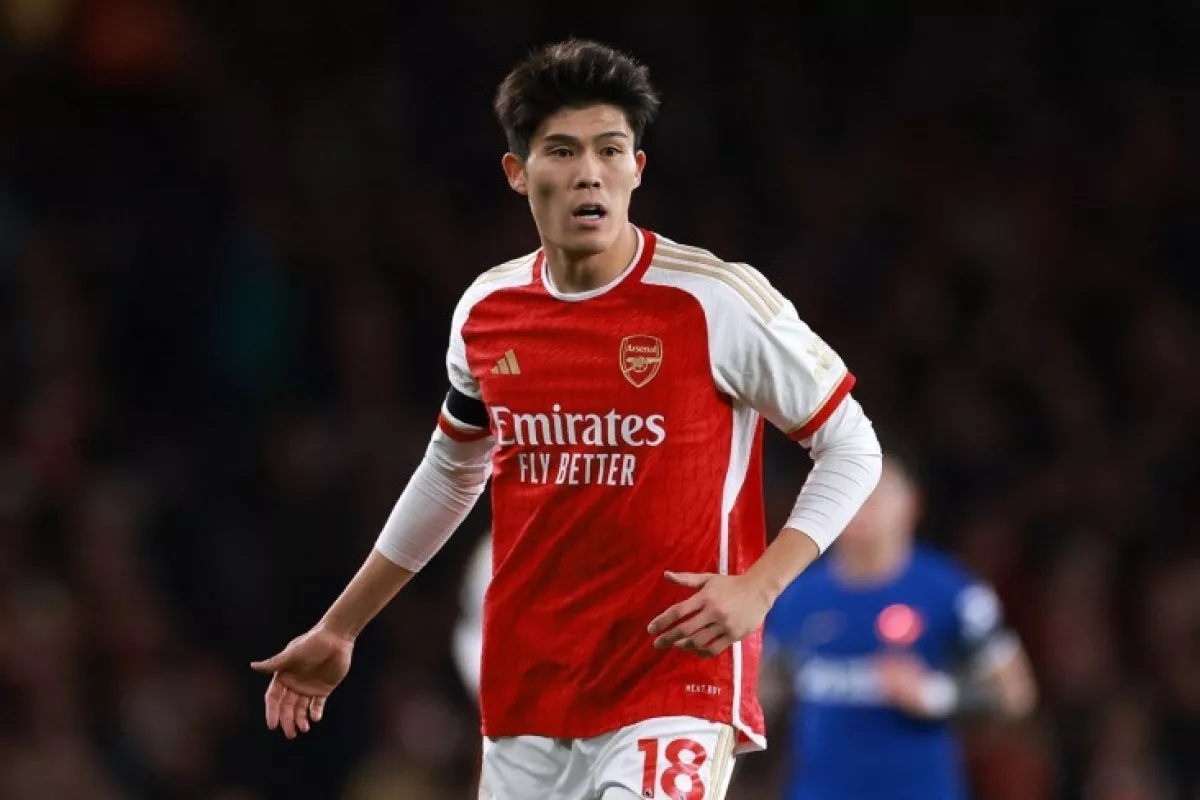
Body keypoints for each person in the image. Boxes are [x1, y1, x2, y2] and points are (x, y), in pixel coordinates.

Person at [250, 39, 883, 800]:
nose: (589, 172)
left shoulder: (715, 300)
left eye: (609, 150)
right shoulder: (488, 311)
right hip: (529, 688)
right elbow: (451, 473)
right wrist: (341, 626)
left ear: (636, 169)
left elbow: (852, 444)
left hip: (673, 679)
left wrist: (761, 585)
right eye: (562, 150)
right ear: (518, 172)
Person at [763, 454, 1037, 800]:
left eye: (876, 495)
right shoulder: (798, 596)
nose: (863, 507)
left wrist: (938, 694)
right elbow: (763, 692)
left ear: (911, 504)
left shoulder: (951, 591)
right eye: (852, 491)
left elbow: (1015, 694)